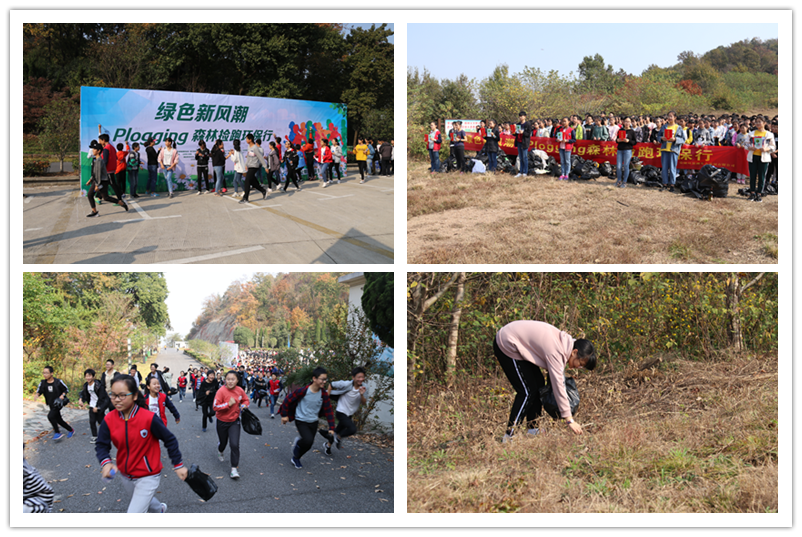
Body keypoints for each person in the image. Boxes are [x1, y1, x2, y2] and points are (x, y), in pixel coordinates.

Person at [95, 375, 187, 513]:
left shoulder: (148, 418)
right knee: (144, 501)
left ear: (135, 396)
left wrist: (178, 465)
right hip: (126, 474)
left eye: (122, 395)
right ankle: (160, 509)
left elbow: (169, 439)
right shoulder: (109, 419)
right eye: (113, 395)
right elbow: (101, 444)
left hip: (148, 475)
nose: (117, 400)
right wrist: (106, 462)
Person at [494, 321, 596, 443]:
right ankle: (509, 436)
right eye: (580, 363)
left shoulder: (565, 344)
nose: (578, 367)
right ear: (574, 352)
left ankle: (533, 430)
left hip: (518, 342)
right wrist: (569, 419)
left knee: (538, 385)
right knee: (527, 392)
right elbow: (558, 386)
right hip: (507, 342)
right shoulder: (557, 351)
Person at [280, 366, 336, 469]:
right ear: (314, 379)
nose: (324, 382)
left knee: (308, 444)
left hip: (313, 421)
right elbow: (287, 400)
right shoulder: (303, 391)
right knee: (308, 440)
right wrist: (284, 415)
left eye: (325, 379)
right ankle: (298, 449)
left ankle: (296, 457)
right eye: (322, 379)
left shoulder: (323, 394)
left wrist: (332, 427)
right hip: (301, 420)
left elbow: (329, 411)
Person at [213, 371, 251, 479]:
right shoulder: (221, 391)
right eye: (228, 379)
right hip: (222, 421)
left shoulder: (239, 390)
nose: (230, 381)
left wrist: (244, 405)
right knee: (223, 443)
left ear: (237, 380)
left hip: (234, 421)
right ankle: (220, 450)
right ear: (225, 380)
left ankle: (234, 469)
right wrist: (227, 404)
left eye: (233, 379)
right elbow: (215, 407)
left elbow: (245, 400)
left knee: (234, 445)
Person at [321, 367, 368, 454]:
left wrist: (361, 394)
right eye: (358, 377)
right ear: (353, 377)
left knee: (336, 431)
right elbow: (331, 384)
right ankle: (338, 437)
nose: (361, 379)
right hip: (341, 411)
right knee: (352, 429)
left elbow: (364, 403)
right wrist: (326, 398)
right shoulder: (346, 384)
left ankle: (327, 445)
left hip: (349, 414)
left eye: (362, 377)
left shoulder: (365, 388)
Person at [86, 140, 129, 217]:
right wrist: (90, 180)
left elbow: (98, 175)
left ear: (99, 151)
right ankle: (121, 203)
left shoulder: (99, 161)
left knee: (97, 196)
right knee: (101, 197)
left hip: (101, 181)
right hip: (99, 181)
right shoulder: (96, 160)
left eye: (94, 149)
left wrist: (97, 185)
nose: (93, 150)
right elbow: (95, 173)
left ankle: (120, 203)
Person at [33, 366, 74, 441]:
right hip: (50, 404)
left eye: (46, 373)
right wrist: (37, 395)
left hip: (58, 403)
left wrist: (62, 395)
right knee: (58, 419)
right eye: (43, 373)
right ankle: (71, 430)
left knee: (50, 416)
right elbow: (40, 390)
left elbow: (66, 389)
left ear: (51, 373)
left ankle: (57, 432)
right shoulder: (43, 383)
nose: (44, 374)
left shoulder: (58, 382)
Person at [746, 116, 775, 202]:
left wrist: (766, 149)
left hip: (764, 157)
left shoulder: (769, 134)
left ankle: (759, 194)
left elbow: (773, 147)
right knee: (753, 175)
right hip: (753, 157)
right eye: (756, 122)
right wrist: (750, 147)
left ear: (764, 123)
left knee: (762, 176)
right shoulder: (751, 133)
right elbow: (746, 145)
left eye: (760, 122)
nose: (758, 123)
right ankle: (752, 193)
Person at [78, 368, 110, 443]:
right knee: (92, 421)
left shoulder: (99, 385)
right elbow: (83, 393)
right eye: (86, 376)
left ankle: (108, 431)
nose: (88, 378)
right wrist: (81, 399)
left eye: (90, 376)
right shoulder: (86, 385)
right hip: (92, 404)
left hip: (101, 403)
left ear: (93, 376)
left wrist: (98, 407)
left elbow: (102, 397)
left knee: (101, 420)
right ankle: (95, 436)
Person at [659, 111, 687, 192]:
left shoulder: (678, 128)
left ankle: (672, 185)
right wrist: (661, 138)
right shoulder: (664, 127)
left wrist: (675, 139)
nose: (669, 118)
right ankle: (664, 184)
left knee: (672, 168)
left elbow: (683, 139)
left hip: (673, 150)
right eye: (668, 116)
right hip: (664, 149)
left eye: (671, 116)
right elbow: (658, 136)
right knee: (664, 168)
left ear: (675, 118)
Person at [240, 133, 269, 204]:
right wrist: (246, 164)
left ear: (250, 140)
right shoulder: (249, 147)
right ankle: (263, 190)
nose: (246, 140)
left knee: (247, 181)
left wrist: (265, 167)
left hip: (255, 166)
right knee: (253, 182)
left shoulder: (255, 148)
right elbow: (248, 156)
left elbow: (260, 157)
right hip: (250, 166)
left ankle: (245, 198)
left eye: (247, 139)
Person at [615, 117, 637, 188]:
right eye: (626, 121)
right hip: (620, 150)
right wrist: (618, 140)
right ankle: (618, 180)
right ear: (623, 122)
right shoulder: (620, 130)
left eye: (628, 122)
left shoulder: (632, 131)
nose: (627, 123)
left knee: (626, 166)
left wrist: (628, 141)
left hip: (628, 150)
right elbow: (616, 140)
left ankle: (624, 182)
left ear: (630, 123)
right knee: (618, 167)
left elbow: (635, 142)